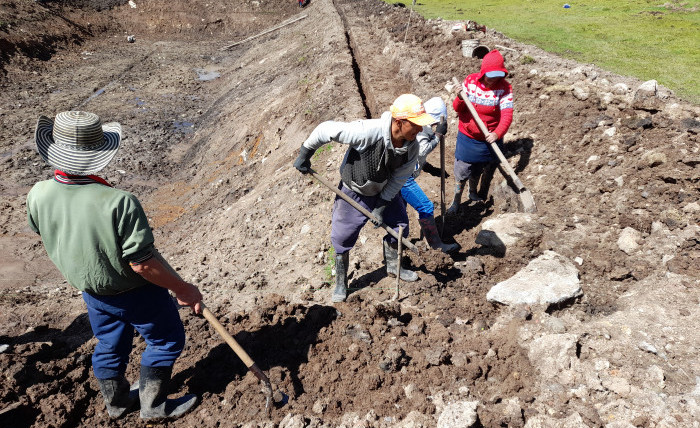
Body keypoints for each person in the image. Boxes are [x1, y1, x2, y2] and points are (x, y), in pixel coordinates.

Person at [26, 111, 202, 420]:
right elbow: (143, 265)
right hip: (135, 292)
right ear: (99, 154)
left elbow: (45, 230)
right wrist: (182, 288)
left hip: (91, 292)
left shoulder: (38, 193)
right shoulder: (119, 202)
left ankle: (118, 402)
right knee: (166, 339)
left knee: (109, 342)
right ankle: (154, 407)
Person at [293, 94, 436, 303]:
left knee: (398, 225)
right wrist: (305, 153)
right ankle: (341, 282)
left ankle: (394, 266)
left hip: (385, 190)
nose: (421, 130)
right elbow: (326, 129)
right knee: (343, 236)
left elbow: (399, 178)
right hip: (354, 189)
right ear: (399, 121)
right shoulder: (367, 132)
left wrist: (381, 205)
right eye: (416, 124)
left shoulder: (412, 146)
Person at [447, 49, 513, 214]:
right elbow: (457, 108)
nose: (493, 80)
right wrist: (460, 97)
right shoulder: (470, 82)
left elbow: (506, 115)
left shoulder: (505, 88)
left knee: (478, 168)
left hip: (489, 138)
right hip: (468, 137)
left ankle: (473, 192)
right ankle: (456, 200)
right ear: (483, 73)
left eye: (497, 76)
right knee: (462, 170)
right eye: (490, 76)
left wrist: (497, 133)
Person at [401, 97, 459, 253]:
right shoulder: (421, 128)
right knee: (425, 206)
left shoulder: (421, 126)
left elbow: (415, 157)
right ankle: (436, 245)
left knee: (400, 209)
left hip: (403, 172)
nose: (435, 127)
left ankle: (400, 240)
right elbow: (421, 150)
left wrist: (430, 168)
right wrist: (438, 136)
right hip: (403, 177)